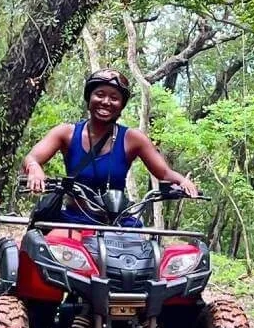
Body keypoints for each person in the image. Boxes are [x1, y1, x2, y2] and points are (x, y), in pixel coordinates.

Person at [21, 70, 198, 221]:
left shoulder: (133, 138)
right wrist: (34, 168)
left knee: (148, 253)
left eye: (114, 98)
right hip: (74, 220)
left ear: (121, 106)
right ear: (89, 98)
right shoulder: (65, 133)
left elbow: (164, 173)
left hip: (118, 222)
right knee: (55, 249)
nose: (106, 102)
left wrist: (183, 181)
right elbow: (32, 157)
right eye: (100, 95)